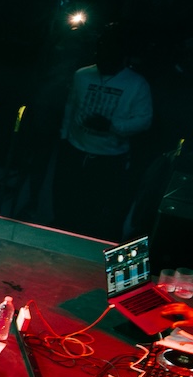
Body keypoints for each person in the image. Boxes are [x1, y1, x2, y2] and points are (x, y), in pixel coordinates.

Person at [55, 30, 153, 238]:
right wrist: (64, 138)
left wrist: (111, 125)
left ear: (121, 56)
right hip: (75, 149)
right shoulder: (82, 75)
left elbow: (144, 120)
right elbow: (70, 106)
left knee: (94, 211)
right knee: (65, 204)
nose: (101, 58)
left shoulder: (136, 84)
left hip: (108, 158)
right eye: (99, 52)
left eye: (108, 53)